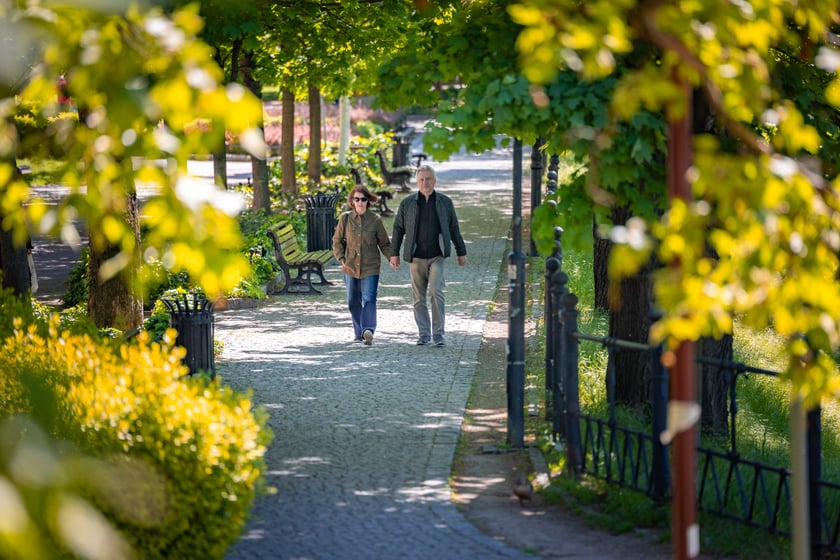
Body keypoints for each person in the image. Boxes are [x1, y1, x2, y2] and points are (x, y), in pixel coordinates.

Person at [389, 165, 467, 346]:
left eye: (428, 179)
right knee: (418, 298)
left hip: (437, 255)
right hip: (416, 257)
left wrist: (461, 252)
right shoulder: (407, 203)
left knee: (436, 292)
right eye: (422, 180)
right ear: (417, 182)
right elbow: (398, 229)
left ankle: (438, 334)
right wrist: (394, 254)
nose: (425, 182)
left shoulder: (444, 202)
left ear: (434, 181)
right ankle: (423, 333)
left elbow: (454, 228)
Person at [332, 185, 392, 346]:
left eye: (363, 199)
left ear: (368, 201)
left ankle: (368, 330)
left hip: (370, 266)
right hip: (350, 267)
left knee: (369, 298)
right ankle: (359, 334)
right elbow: (337, 240)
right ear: (352, 201)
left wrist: (392, 258)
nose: (360, 202)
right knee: (353, 301)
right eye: (356, 199)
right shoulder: (345, 219)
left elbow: (384, 243)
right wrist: (341, 258)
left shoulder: (375, 220)